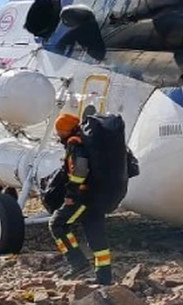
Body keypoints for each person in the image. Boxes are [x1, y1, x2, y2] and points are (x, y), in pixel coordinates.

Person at [47, 108, 137, 285]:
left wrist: (72, 194)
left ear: (65, 130)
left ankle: (77, 262)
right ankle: (104, 277)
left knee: (57, 224)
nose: (58, 134)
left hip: (84, 196)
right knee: (96, 234)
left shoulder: (76, 144)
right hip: (101, 195)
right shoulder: (92, 142)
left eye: (59, 131)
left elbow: (80, 170)